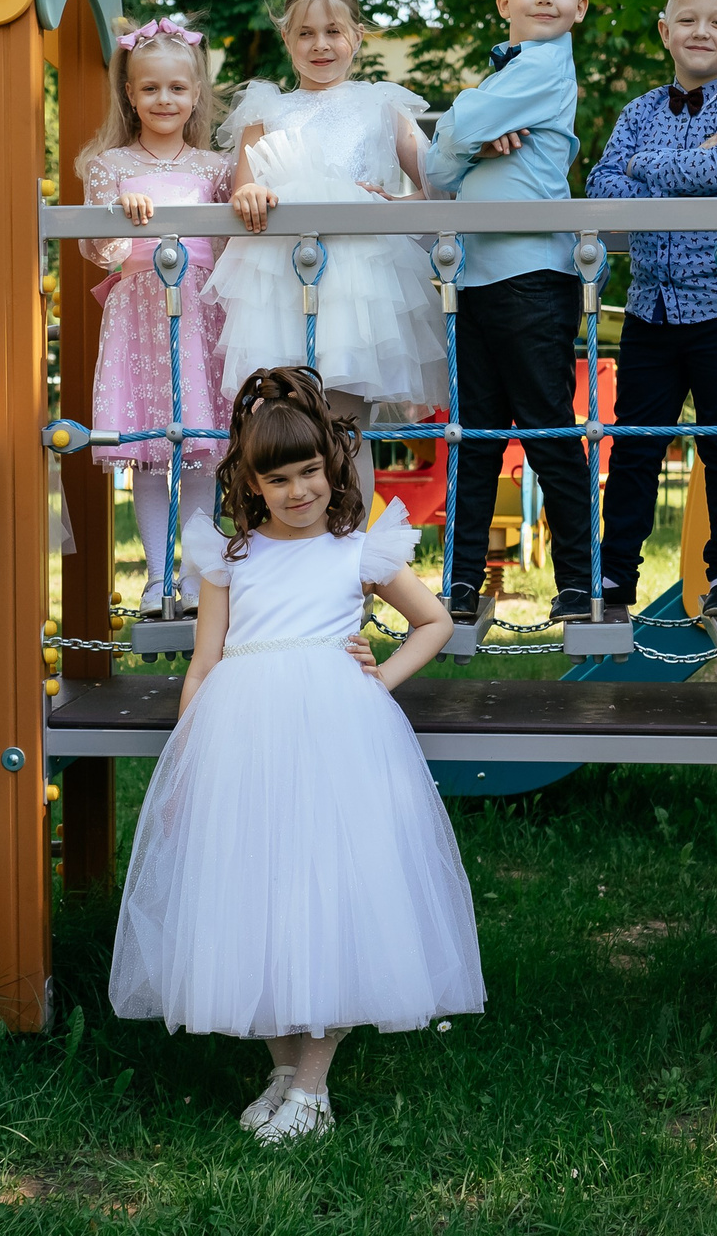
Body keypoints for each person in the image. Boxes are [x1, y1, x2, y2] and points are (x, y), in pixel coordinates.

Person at [108, 367, 481, 1144]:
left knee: (331, 894)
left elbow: (434, 623)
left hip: (336, 733)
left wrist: (383, 680)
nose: (300, 490)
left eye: (311, 471)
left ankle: (313, 1089)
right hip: (242, 737)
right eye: (280, 479)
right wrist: (186, 760)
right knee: (257, 894)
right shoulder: (230, 558)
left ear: (332, 466)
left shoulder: (357, 551)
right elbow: (204, 665)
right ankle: (283, 1068)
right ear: (252, 483)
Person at [206, 0, 447, 505]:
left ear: (356, 36)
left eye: (333, 31)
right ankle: (286, 548)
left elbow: (438, 184)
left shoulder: (383, 107)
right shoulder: (266, 111)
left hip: (359, 292)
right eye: (305, 33)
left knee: (344, 429)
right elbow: (244, 188)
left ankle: (351, 558)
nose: (320, 45)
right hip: (279, 291)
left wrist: (395, 204)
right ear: (287, 39)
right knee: (281, 429)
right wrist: (249, 195)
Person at [420, 0, 600, 623]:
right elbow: (438, 174)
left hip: (531, 276)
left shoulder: (544, 66)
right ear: (504, 0)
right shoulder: (508, 77)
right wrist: (465, 142)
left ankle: (578, 587)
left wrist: (463, 131)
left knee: (550, 432)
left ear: (580, 6)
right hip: (476, 278)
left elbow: (457, 127)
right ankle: (462, 587)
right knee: (474, 436)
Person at [585, 0, 717, 623]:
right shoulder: (637, 112)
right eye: (688, 20)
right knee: (634, 443)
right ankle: (614, 578)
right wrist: (665, 172)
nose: (702, 32)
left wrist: (647, 169)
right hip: (649, 306)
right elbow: (603, 189)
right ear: (666, 31)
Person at [78, 17, 235, 612]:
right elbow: (100, 253)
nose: (163, 100)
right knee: (149, 445)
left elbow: (225, 249)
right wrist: (119, 218)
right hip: (139, 310)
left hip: (198, 311)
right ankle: (156, 578)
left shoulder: (214, 168)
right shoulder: (109, 166)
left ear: (195, 94)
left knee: (197, 443)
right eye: (150, 89)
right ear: (130, 93)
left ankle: (194, 577)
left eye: (176, 88)